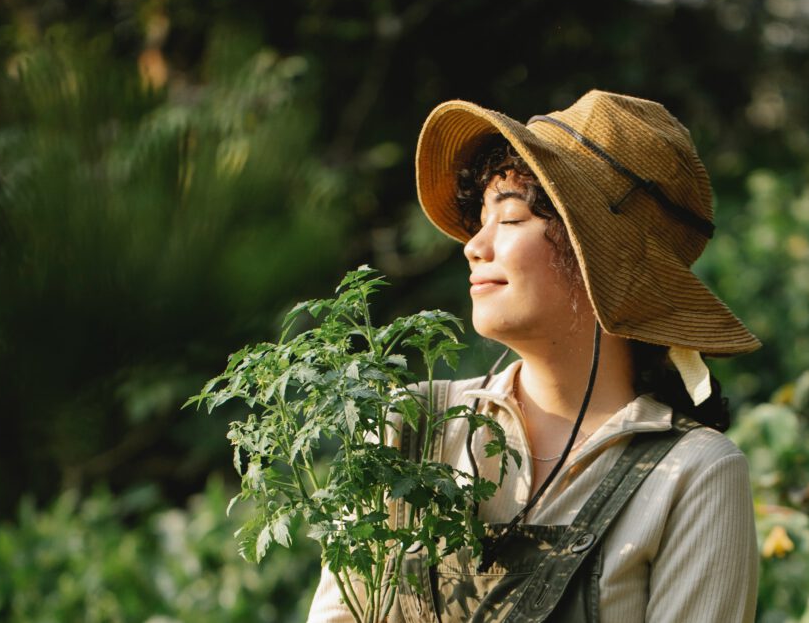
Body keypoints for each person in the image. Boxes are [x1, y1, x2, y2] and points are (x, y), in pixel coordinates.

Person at [308, 90, 760, 622]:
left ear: (601, 261)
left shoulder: (693, 474)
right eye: (481, 218)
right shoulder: (409, 427)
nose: (474, 245)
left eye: (513, 218)